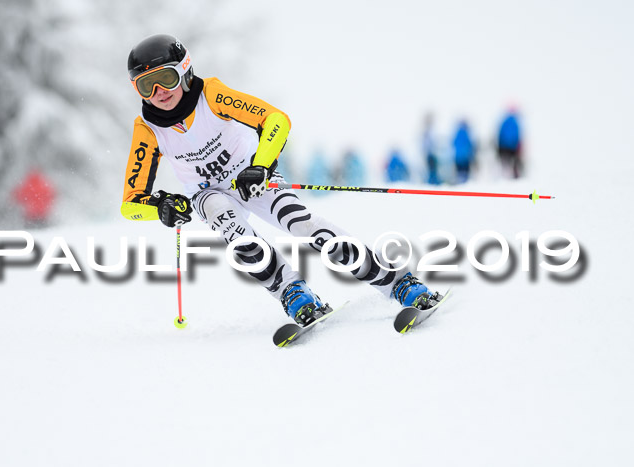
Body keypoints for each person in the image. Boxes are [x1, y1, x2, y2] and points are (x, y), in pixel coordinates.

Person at [120, 34, 443, 326]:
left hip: (251, 178)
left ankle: (398, 282)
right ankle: (293, 294)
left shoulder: (212, 95)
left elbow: (275, 119)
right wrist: (160, 207)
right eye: (147, 86)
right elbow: (130, 204)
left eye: (166, 78)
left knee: (303, 226)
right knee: (240, 237)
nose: (159, 92)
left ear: (186, 72)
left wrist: (260, 165)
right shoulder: (148, 129)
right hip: (207, 193)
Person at [497, 107, 523, 178]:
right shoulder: (515, 123)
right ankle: (514, 177)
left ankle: (504, 176)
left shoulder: (504, 122)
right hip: (513, 148)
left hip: (503, 147)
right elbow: (518, 137)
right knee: (514, 163)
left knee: (505, 163)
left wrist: (499, 146)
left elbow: (500, 135)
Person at [452, 119, 476, 183]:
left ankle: (460, 182)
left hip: (458, 157)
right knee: (465, 172)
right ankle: (464, 182)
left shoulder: (457, 133)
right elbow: (470, 145)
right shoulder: (466, 133)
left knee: (459, 172)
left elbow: (453, 143)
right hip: (465, 157)